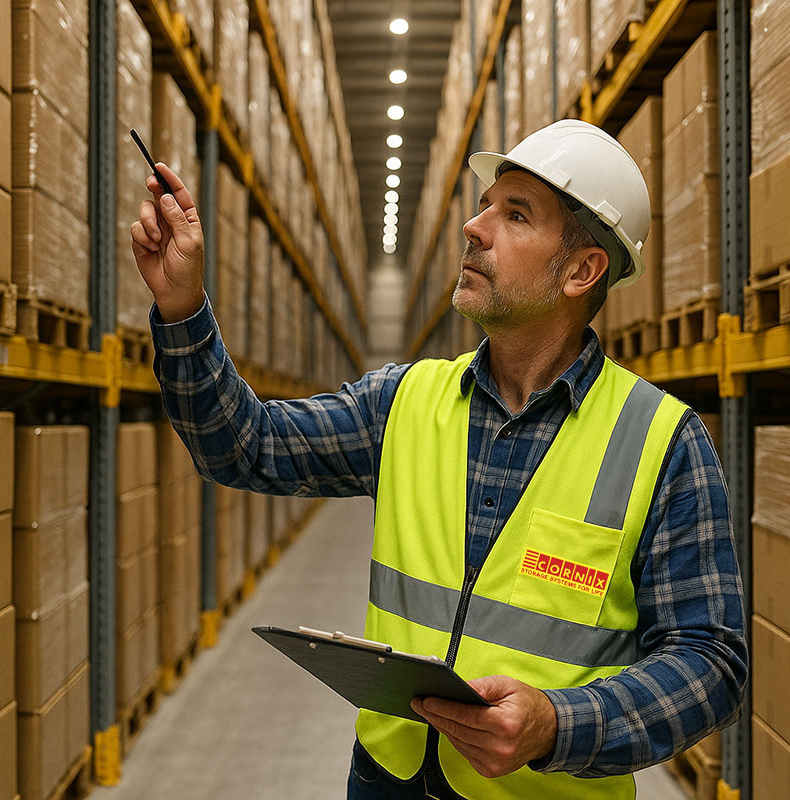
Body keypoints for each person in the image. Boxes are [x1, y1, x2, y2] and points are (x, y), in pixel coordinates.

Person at [131, 119, 747, 799]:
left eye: (515, 214)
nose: (473, 227)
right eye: (486, 205)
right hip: (386, 783)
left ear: (581, 270)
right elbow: (245, 447)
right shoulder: (405, 402)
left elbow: (709, 662)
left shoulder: (661, 442)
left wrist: (558, 723)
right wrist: (182, 305)